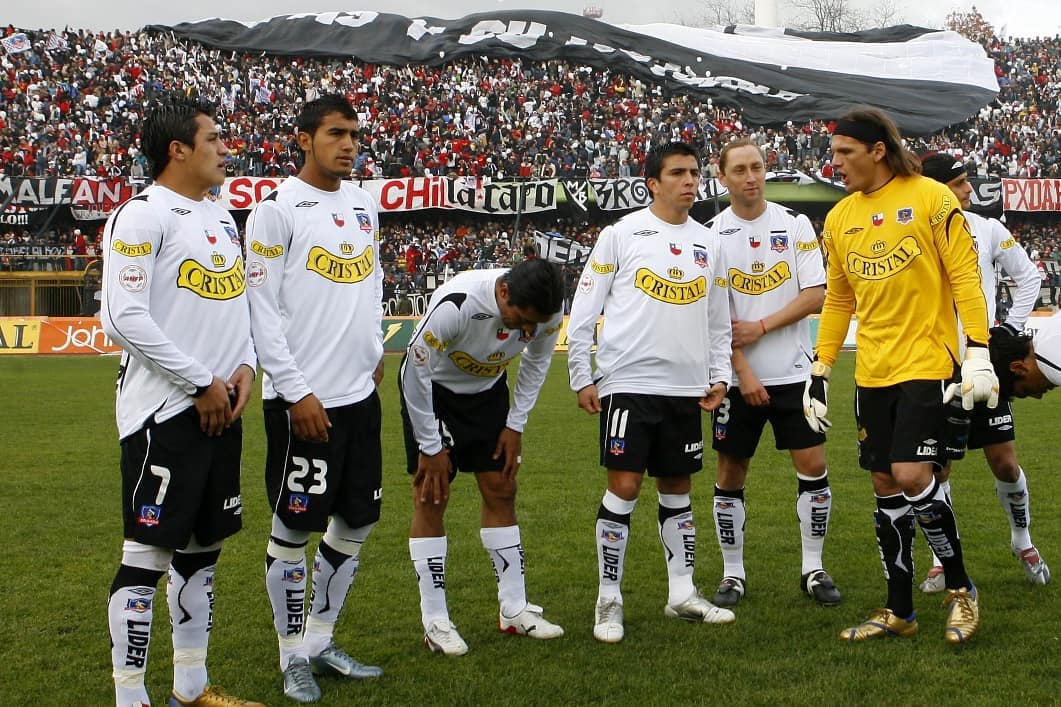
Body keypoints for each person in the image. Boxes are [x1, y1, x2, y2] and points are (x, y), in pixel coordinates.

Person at [808, 106, 998, 645]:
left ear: (877, 150)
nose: (836, 163)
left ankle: (961, 589)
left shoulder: (932, 198)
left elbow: (964, 277)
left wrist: (978, 350)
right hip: (872, 371)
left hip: (929, 363)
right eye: (833, 152)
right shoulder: (841, 217)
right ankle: (900, 609)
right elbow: (839, 297)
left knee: (914, 475)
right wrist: (821, 369)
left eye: (845, 152)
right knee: (886, 484)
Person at [99, 95, 262, 707]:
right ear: (179, 150)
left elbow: (234, 304)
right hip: (163, 414)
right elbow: (122, 318)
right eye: (214, 139)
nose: (224, 149)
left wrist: (245, 364)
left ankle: (191, 689)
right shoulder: (141, 216)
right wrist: (200, 381)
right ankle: (130, 697)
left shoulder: (220, 216)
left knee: (203, 551)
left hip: (222, 407)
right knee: (147, 555)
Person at [245, 94, 384, 703]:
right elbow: (261, 308)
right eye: (335, 133)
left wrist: (376, 349)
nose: (348, 144)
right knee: (295, 526)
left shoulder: (363, 203)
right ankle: (288, 655)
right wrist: (295, 390)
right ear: (304, 139)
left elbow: (373, 282)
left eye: (353, 134)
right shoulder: (276, 211)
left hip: (359, 395)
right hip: (303, 400)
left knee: (356, 519)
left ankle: (321, 640)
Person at [567, 141, 736, 644]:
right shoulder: (621, 235)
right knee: (624, 488)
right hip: (628, 384)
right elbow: (584, 308)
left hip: (686, 389)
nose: (690, 182)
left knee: (678, 489)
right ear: (652, 184)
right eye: (679, 173)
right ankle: (608, 598)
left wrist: (720, 373)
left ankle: (681, 593)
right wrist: (581, 374)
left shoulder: (711, 243)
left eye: (694, 173)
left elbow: (718, 320)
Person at [399, 258, 566, 656]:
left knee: (502, 488)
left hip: (488, 394)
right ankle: (435, 620)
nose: (526, 332)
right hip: (434, 395)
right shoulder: (457, 303)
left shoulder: (547, 310)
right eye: (520, 320)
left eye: (533, 326)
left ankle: (513, 608)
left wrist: (516, 425)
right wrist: (430, 445)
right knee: (432, 496)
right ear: (503, 292)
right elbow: (412, 370)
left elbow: (538, 362)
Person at [705, 138, 839, 609]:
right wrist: (743, 373)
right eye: (739, 169)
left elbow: (815, 294)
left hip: (793, 372)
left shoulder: (794, 224)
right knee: (730, 471)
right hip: (737, 380)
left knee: (814, 467)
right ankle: (732, 573)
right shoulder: (710, 236)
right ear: (722, 177)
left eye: (757, 167)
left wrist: (760, 325)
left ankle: (813, 566)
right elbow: (712, 318)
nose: (750, 177)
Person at [917, 153, 1051, 591]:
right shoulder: (915, 231)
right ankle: (943, 558)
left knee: (1004, 460)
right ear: (935, 189)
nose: (968, 190)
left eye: (966, 181)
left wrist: (1006, 330)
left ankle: (1022, 540)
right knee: (938, 468)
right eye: (958, 183)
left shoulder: (988, 229)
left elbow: (1028, 277)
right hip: (933, 366)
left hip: (981, 364)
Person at [989, 313, 1061, 400]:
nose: (1038, 397)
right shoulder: (1048, 331)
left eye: (1025, 391)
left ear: (1018, 367)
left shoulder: (1053, 365)